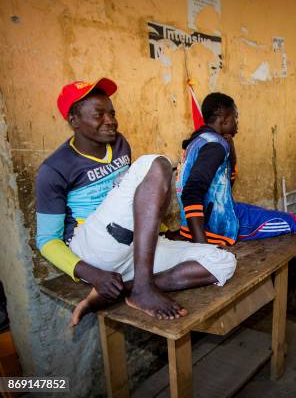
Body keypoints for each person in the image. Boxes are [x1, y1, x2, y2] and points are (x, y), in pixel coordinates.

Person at [36, 79, 236, 326]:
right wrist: (95, 275)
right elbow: (46, 241)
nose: (110, 120)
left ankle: (128, 288)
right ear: (73, 120)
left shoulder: (119, 144)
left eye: (112, 113)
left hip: (129, 255)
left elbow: (134, 198)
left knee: (222, 261)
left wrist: (163, 233)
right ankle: (142, 289)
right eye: (99, 115)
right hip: (95, 253)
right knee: (156, 162)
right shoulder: (55, 168)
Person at [176, 92, 296, 320]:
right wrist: (203, 248)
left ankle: (276, 292)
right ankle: (287, 298)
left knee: (265, 215)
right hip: (218, 226)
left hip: (219, 212)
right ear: (223, 116)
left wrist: (229, 143)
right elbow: (192, 192)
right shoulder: (216, 146)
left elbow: (223, 185)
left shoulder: (198, 141)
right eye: (235, 117)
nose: (238, 123)